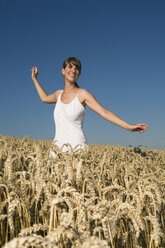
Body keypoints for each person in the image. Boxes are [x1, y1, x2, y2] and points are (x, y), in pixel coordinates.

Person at [31, 57, 148, 155]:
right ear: (63, 71)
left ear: (79, 74)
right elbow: (44, 98)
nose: (73, 70)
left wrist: (129, 127)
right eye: (70, 67)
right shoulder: (58, 94)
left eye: (77, 68)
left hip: (77, 149)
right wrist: (35, 79)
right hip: (56, 150)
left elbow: (104, 112)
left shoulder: (83, 95)